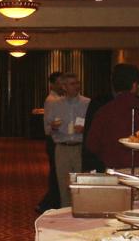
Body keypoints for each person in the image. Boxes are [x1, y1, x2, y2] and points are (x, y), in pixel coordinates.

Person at [85, 63, 139, 170]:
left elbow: (92, 145)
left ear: (114, 86)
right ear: (135, 85)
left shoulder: (104, 112)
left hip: (113, 171)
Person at [45, 72, 90, 207]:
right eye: (72, 84)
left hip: (80, 148)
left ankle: (81, 212)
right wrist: (53, 127)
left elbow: (95, 126)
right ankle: (65, 213)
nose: (76, 86)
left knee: (81, 185)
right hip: (62, 149)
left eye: (77, 83)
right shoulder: (55, 105)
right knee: (63, 186)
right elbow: (47, 128)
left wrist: (85, 129)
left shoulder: (87, 103)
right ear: (64, 87)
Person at [36, 71, 64, 212]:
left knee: (56, 173)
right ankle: (48, 203)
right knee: (56, 173)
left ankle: (50, 202)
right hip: (54, 140)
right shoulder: (53, 100)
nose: (61, 85)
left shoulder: (59, 98)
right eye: (58, 83)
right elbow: (52, 123)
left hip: (55, 139)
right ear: (52, 85)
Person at [81, 92, 112, 172]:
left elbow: (90, 141)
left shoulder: (95, 104)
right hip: (104, 157)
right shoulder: (101, 105)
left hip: (98, 157)